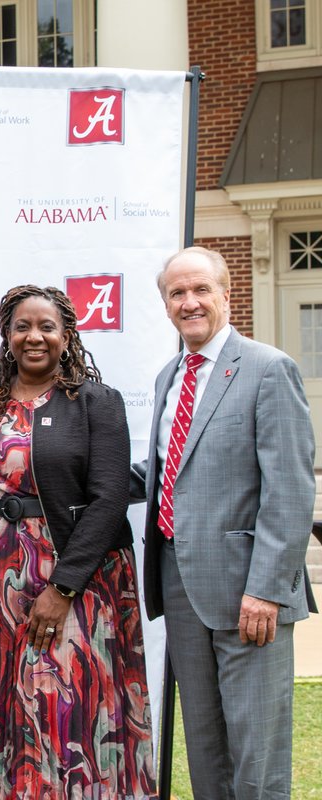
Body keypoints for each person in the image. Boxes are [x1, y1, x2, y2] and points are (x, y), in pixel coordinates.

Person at [0, 285, 155, 799]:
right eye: (22, 327)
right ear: (7, 335)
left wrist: (62, 590)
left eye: (46, 327)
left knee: (60, 709)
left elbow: (108, 499)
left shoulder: (94, 402)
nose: (33, 337)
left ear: (67, 336)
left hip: (68, 581)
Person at [134, 247, 314, 800]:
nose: (189, 303)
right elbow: (167, 470)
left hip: (248, 593)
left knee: (256, 756)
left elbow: (289, 488)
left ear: (225, 295)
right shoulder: (170, 376)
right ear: (165, 305)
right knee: (206, 749)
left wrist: (265, 589)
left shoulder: (268, 367)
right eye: (176, 294)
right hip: (182, 587)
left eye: (200, 290)